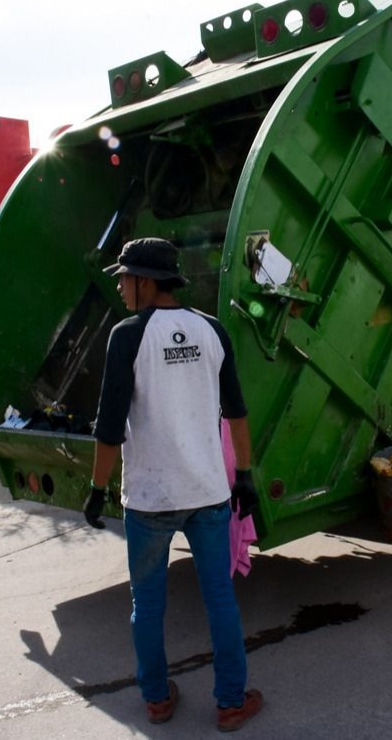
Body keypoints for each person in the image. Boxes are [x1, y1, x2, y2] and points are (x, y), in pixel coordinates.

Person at [84, 237, 263, 732]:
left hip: (149, 499)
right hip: (208, 494)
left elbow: (108, 427)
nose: (120, 286)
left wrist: (97, 490)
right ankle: (231, 702)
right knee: (220, 600)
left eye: (124, 278)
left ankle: (157, 699)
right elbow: (238, 413)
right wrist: (244, 475)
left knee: (147, 604)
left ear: (145, 281)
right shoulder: (212, 330)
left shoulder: (127, 336)